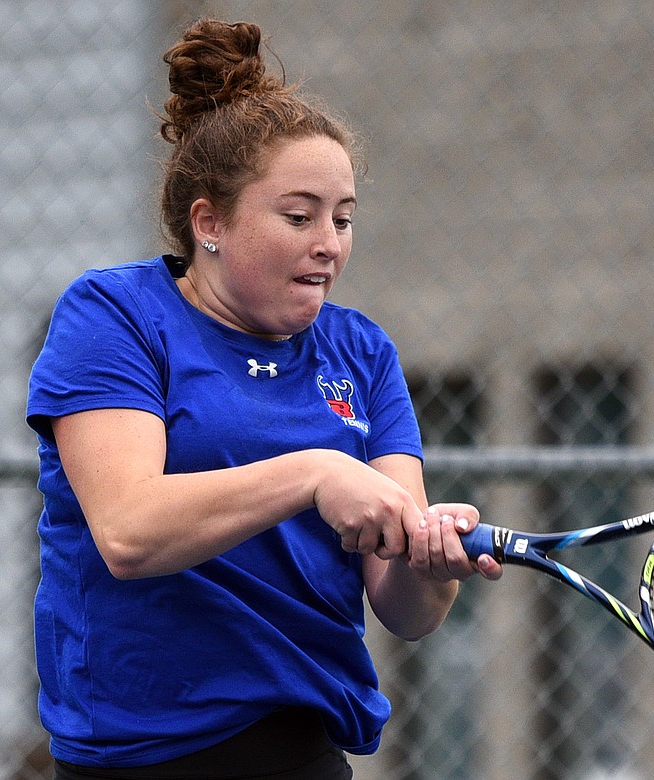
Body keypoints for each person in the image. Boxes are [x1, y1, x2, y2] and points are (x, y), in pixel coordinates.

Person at [26, 17, 501, 780]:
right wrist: (314, 473)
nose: (330, 242)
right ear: (209, 223)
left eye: (343, 218)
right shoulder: (113, 318)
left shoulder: (363, 354)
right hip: (133, 758)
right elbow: (128, 532)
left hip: (303, 753)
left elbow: (406, 612)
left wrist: (431, 560)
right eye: (299, 215)